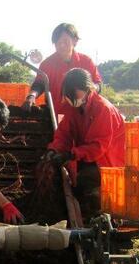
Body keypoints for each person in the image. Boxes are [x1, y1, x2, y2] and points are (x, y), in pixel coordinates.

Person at [42, 69, 125, 220]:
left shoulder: (103, 110)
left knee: (85, 183)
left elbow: (98, 146)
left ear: (88, 89)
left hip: (106, 162)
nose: (72, 97)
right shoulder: (74, 107)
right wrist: (54, 150)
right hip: (86, 157)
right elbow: (64, 133)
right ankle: (86, 215)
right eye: (69, 93)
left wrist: (71, 154)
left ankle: (96, 219)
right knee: (78, 183)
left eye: (76, 93)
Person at [22, 23, 102, 118]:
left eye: (65, 41)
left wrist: (91, 87)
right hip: (56, 115)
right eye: (57, 42)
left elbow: (98, 85)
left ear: (75, 41)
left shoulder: (86, 62)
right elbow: (39, 84)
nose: (61, 45)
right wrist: (31, 96)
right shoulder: (47, 64)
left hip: (83, 115)